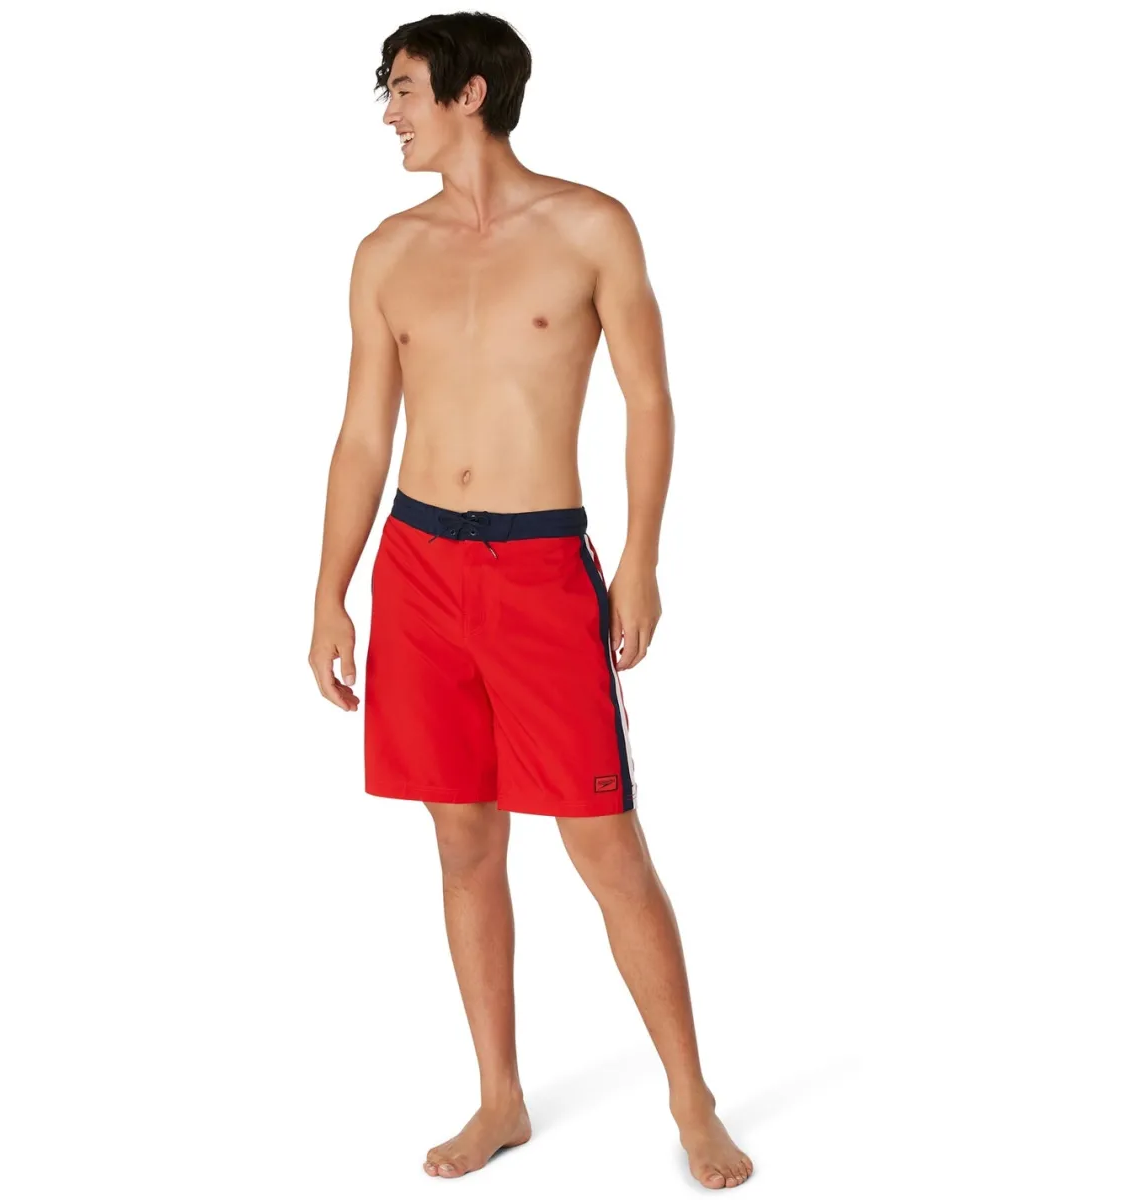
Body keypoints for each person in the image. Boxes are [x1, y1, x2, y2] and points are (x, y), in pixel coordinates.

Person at [308, 12, 753, 1190]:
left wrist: (642, 558)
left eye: (403, 89)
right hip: (417, 565)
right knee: (462, 841)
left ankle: (692, 1099)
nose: (389, 113)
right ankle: (500, 1097)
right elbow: (363, 435)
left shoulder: (591, 227)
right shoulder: (385, 252)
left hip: (540, 565)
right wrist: (329, 592)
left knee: (604, 843)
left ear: (469, 93)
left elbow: (650, 399)